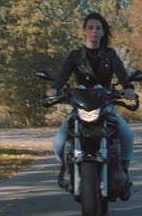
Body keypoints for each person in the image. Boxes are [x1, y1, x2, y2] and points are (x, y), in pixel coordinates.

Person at [45, 12, 136, 188]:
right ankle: (65, 168)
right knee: (58, 142)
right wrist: (54, 89)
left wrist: (129, 89)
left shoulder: (110, 55)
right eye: (91, 27)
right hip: (80, 105)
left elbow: (123, 76)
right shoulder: (75, 56)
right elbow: (62, 77)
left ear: (103, 32)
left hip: (105, 104)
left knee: (127, 135)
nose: (94, 31)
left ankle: (123, 172)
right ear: (84, 31)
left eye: (98, 28)